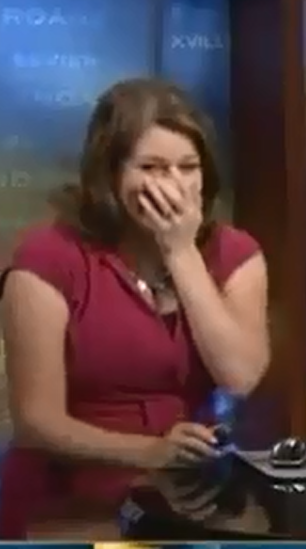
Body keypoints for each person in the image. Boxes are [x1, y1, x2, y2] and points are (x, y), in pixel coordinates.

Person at [0, 78, 270, 538]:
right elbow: (36, 422)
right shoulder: (48, 257)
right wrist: (150, 452)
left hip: (190, 496)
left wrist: (180, 252)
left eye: (188, 167)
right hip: (70, 501)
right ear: (109, 176)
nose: (173, 185)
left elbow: (239, 375)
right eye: (151, 167)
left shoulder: (235, 254)